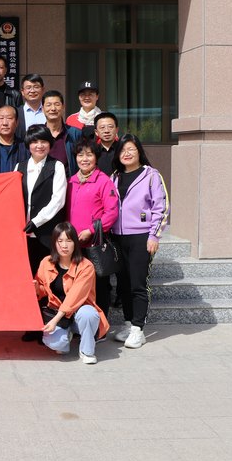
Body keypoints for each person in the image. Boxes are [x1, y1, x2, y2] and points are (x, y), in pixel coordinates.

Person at [110, 134, 169, 349]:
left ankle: (138, 329)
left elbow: (161, 207)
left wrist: (154, 236)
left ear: (139, 152)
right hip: (118, 237)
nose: (126, 153)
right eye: (122, 150)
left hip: (141, 237)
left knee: (138, 283)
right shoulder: (114, 176)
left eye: (131, 149)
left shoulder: (151, 175)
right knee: (123, 284)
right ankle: (128, 324)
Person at [32, 222, 109, 364]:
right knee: (57, 344)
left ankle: (87, 351)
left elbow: (74, 297)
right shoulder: (46, 262)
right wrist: (36, 288)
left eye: (68, 241)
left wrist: (55, 321)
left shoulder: (86, 266)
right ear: (54, 243)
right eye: (60, 241)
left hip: (79, 313)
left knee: (88, 314)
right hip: (57, 313)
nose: (64, 245)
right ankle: (66, 336)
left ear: (75, 243)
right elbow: (43, 291)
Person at [67, 137, 119, 317]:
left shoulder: (103, 181)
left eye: (89, 155)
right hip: (73, 244)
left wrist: (90, 230)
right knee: (76, 285)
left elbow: (112, 212)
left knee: (99, 286)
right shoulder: (71, 181)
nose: (84, 159)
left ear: (96, 158)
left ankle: (101, 324)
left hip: (94, 244)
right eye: (80, 155)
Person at [16, 124, 67, 278]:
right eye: (34, 142)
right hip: (23, 232)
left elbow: (58, 200)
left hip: (47, 232)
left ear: (50, 144)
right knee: (27, 274)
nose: (39, 146)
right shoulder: (19, 167)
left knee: (48, 274)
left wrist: (36, 221)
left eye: (43, 141)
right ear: (28, 144)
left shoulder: (57, 166)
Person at [42, 89, 82, 175]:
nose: (53, 108)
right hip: (43, 181)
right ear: (42, 109)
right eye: (48, 105)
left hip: (69, 181)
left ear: (63, 107)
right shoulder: (38, 134)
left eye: (57, 104)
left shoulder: (75, 133)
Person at [16, 74, 46, 139]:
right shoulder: (16, 113)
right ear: (22, 92)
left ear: (43, 89)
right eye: (28, 88)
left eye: (36, 87)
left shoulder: (49, 111)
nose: (32, 91)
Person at [93, 112, 119, 176]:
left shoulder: (123, 150)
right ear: (96, 132)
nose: (106, 131)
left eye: (110, 127)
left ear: (117, 130)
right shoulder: (92, 151)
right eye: (102, 127)